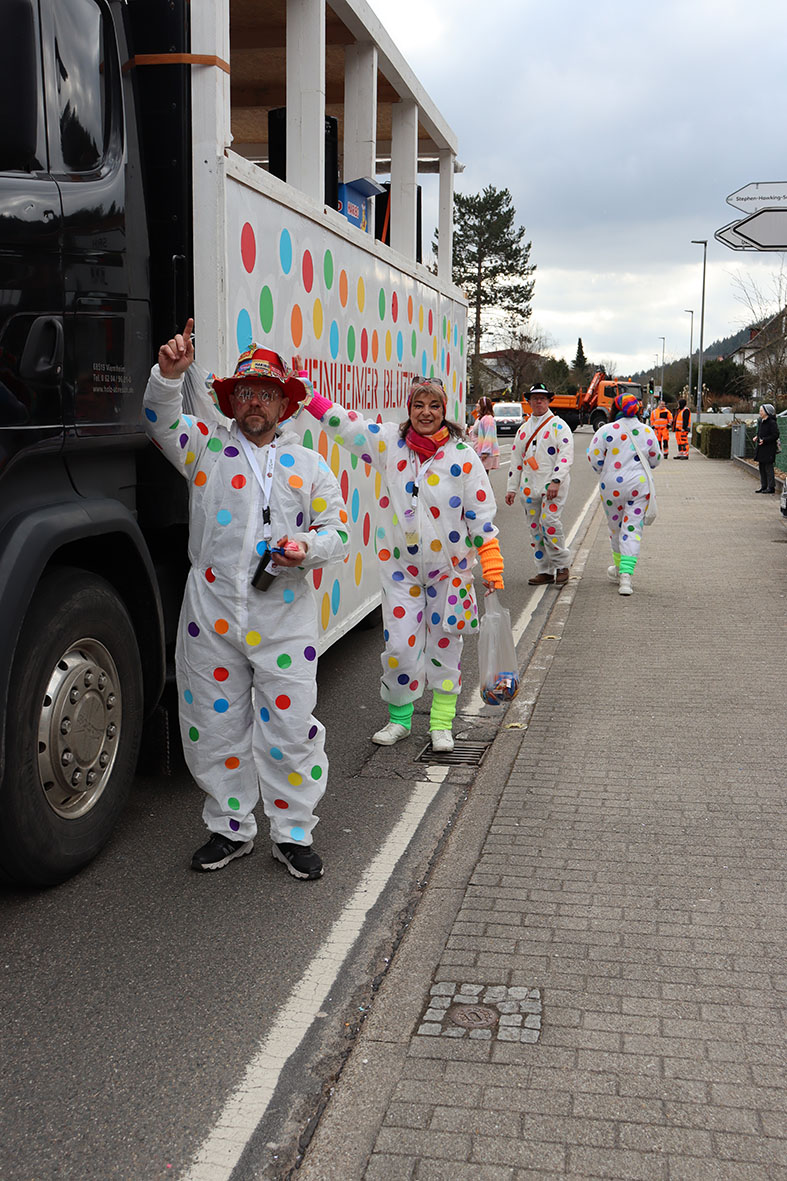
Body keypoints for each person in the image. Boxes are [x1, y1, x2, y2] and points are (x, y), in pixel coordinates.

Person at [142, 320, 348, 877]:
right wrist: (167, 376)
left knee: (291, 726)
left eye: (266, 393)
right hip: (210, 614)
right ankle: (229, 827)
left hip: (284, 616)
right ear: (232, 401)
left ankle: (293, 833)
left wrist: (305, 548)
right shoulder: (205, 447)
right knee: (214, 724)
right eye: (246, 392)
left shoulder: (308, 464)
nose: (256, 402)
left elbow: (339, 530)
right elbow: (159, 420)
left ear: (283, 403)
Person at [297, 374, 504, 752]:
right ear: (409, 409)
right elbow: (348, 426)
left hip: (449, 573)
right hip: (400, 572)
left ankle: (441, 724)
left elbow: (481, 513)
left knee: (446, 648)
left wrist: (491, 562)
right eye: (418, 405)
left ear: (444, 410)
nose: (426, 412)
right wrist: (309, 397)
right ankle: (400, 720)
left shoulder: (462, 455)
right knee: (400, 649)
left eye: (434, 405)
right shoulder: (391, 444)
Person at [588, 392, 661, 596]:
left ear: (615, 409)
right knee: (632, 528)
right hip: (639, 486)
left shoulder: (605, 431)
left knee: (616, 528)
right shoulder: (647, 431)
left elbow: (594, 458)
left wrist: (606, 469)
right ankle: (626, 578)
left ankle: (619, 568)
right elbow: (655, 459)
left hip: (611, 486)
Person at [504, 382, 574, 586]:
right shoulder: (523, 429)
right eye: (535, 398)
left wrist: (556, 480)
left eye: (542, 398)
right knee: (535, 529)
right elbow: (516, 460)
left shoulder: (559, 426)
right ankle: (544, 570)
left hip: (552, 485)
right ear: (529, 401)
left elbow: (565, 456)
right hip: (529, 485)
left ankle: (562, 565)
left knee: (550, 523)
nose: (539, 402)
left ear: (549, 401)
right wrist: (511, 488)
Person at [753, 403, 779, 493]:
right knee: (762, 467)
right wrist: (757, 437)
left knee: (768, 468)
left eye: (761, 411)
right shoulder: (761, 421)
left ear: (767, 412)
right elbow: (760, 432)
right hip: (762, 448)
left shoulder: (772, 422)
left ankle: (771, 487)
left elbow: (775, 435)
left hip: (769, 448)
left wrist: (765, 440)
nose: (760, 412)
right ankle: (764, 486)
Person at [469, 397, 500, 471]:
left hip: (485, 454)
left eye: (478, 403)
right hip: (479, 452)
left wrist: (485, 452)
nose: (476, 405)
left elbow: (489, 435)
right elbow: (476, 433)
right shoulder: (480, 418)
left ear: (483, 405)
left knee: (482, 476)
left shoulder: (488, 419)